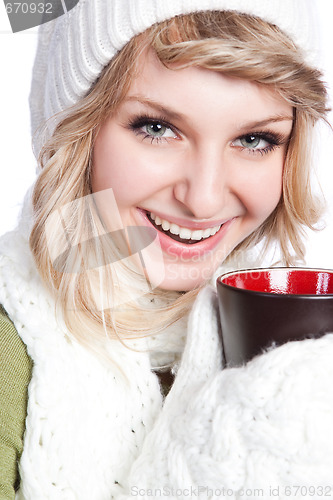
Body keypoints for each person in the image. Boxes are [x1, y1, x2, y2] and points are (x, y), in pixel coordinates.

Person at [0, 0, 331, 498]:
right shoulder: (12, 348)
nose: (204, 198)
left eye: (256, 139)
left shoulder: (295, 341)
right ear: (76, 131)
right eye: (157, 128)